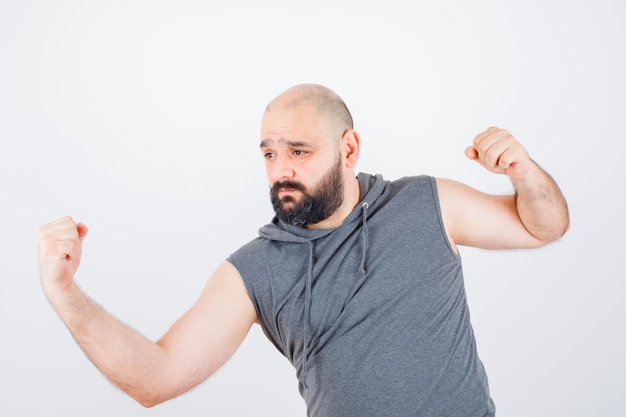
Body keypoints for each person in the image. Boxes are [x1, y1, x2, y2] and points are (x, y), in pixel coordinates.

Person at [38, 83, 570, 416]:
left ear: (349, 149)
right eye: (269, 152)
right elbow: (154, 379)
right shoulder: (255, 271)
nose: (280, 171)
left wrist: (524, 173)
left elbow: (541, 226)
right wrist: (65, 295)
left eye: (298, 150)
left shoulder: (427, 204)